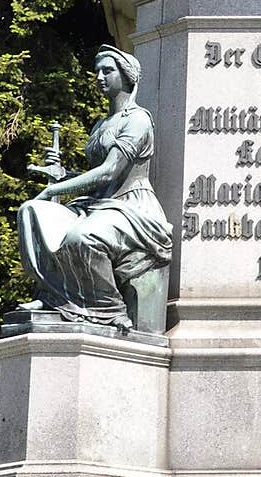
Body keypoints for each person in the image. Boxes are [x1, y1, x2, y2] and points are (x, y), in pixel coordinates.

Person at [16, 46, 173, 330]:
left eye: (107, 70)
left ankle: (109, 308)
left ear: (127, 77)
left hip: (130, 207)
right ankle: (54, 294)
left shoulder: (138, 119)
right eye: (97, 71)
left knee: (83, 237)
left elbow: (110, 171)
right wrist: (62, 175)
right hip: (96, 204)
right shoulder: (102, 124)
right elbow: (96, 176)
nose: (99, 77)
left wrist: (54, 190)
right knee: (31, 211)